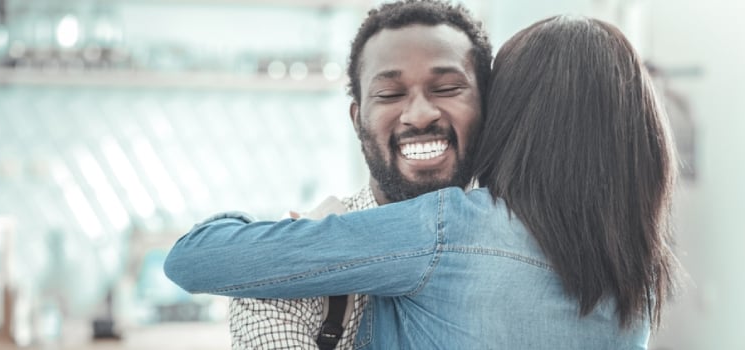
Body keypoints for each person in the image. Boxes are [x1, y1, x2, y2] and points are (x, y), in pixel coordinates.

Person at [165, 15, 681, 349]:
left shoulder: (451, 230)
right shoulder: (636, 275)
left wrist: (307, 231)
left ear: (508, 116)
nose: (421, 113)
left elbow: (193, 258)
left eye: (452, 88)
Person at [222, 1, 493, 349]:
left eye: (446, 88)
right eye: (390, 94)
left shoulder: (529, 255)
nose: (420, 115)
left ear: (486, 108)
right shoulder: (281, 280)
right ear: (357, 120)